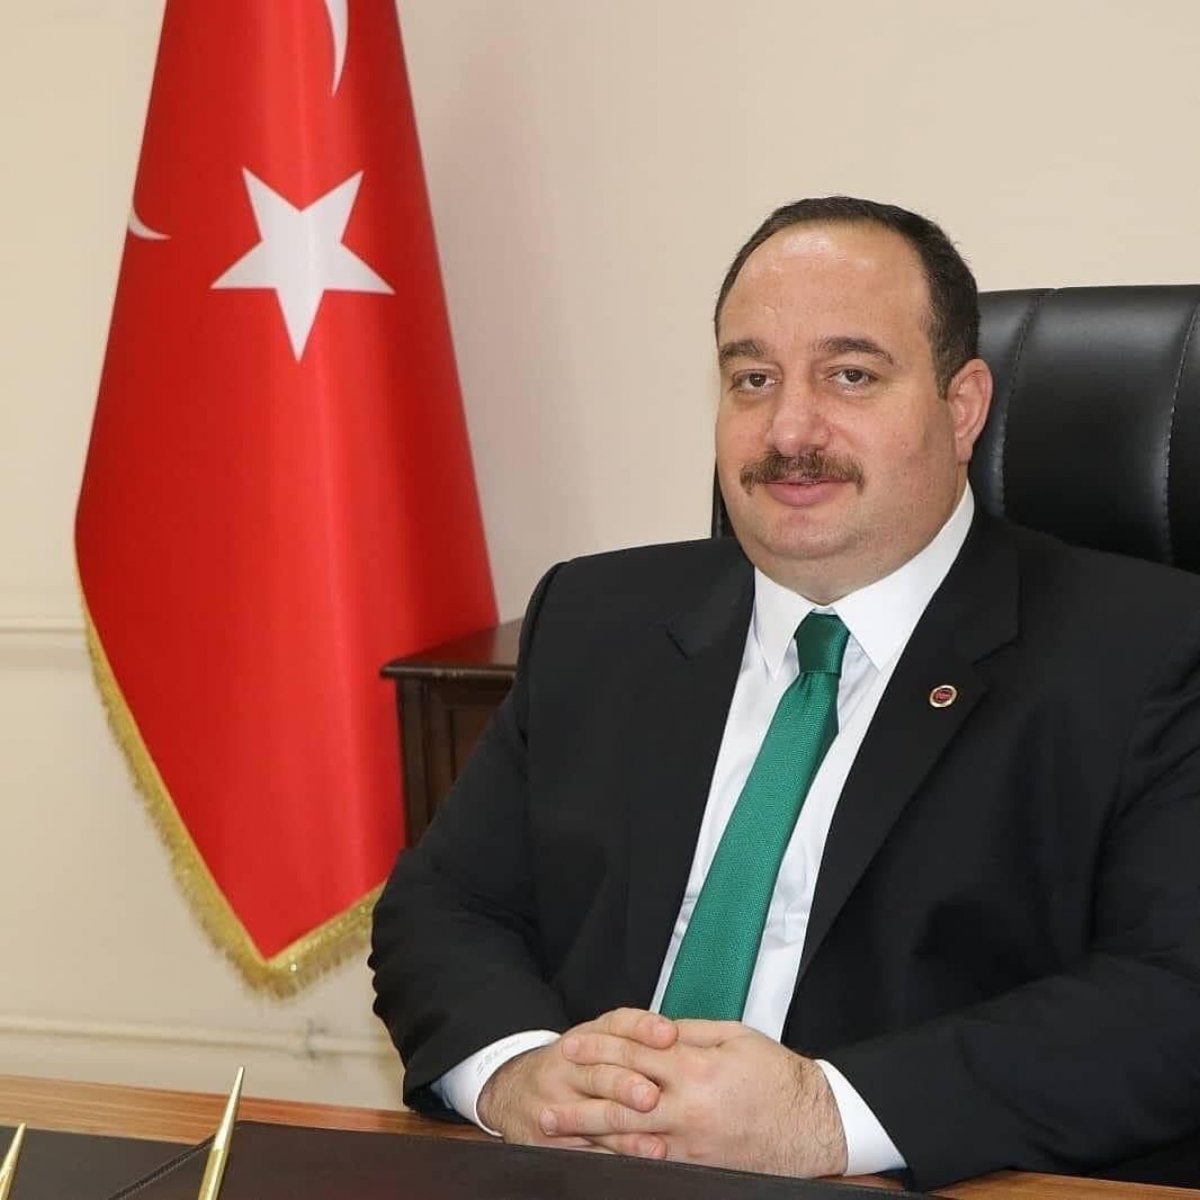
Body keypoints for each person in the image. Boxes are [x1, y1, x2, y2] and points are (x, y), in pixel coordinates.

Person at [369, 197, 1200, 1190]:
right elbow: (444, 906)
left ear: (963, 406)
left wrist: (829, 1117)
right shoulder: (597, 618)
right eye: (752, 378)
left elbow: (1171, 996)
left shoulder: (1148, 652)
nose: (790, 429)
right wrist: (519, 1074)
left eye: (851, 375)